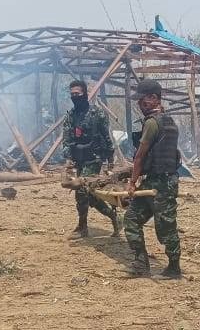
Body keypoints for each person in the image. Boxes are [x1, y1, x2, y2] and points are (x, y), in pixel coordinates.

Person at [125, 79, 181, 278]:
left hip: (162, 184)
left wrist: (132, 183)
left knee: (166, 227)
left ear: (154, 98)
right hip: (156, 181)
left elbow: (140, 156)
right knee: (131, 218)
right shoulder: (169, 121)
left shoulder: (151, 123)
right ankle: (141, 263)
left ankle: (174, 268)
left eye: (143, 100)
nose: (140, 104)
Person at [63, 80, 119, 239]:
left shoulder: (97, 113)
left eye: (77, 94)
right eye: (72, 94)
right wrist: (68, 158)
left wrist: (110, 159)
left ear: (85, 94)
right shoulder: (71, 116)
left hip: (94, 158)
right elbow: (66, 139)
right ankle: (114, 217)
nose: (75, 97)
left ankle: (82, 227)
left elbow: (106, 136)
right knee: (90, 195)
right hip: (79, 159)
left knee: (82, 191)